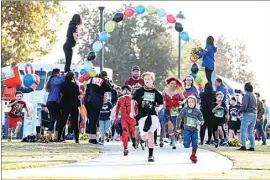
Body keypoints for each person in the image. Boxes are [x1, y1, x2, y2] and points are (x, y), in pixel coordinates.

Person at [130, 72, 163, 162]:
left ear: (152, 80)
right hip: (142, 116)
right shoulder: (139, 91)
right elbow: (133, 100)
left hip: (152, 116)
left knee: (151, 134)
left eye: (149, 79)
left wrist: (158, 109)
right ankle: (141, 137)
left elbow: (161, 104)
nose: (147, 81)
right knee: (144, 136)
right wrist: (132, 111)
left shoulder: (156, 92)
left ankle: (150, 155)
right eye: (145, 79)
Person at [85, 71, 112, 144]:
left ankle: (90, 137)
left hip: (87, 100)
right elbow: (109, 89)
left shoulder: (90, 79)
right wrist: (106, 81)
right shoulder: (102, 80)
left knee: (90, 119)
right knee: (94, 120)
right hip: (96, 101)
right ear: (105, 76)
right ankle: (93, 139)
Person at [178, 96, 204, 163]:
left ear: (195, 102)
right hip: (187, 130)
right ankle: (187, 141)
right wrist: (177, 128)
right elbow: (179, 118)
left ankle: (193, 156)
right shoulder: (185, 110)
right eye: (189, 102)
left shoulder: (198, 111)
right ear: (187, 103)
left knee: (195, 144)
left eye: (192, 102)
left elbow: (202, 121)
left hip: (194, 130)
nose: (190, 103)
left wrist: (200, 122)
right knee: (186, 145)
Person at [56, 72, 81, 143]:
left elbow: (61, 93)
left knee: (63, 121)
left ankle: (59, 137)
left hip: (65, 104)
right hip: (74, 104)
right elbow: (78, 93)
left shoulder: (63, 85)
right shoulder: (75, 86)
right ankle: (77, 139)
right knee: (75, 122)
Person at [162, 76, 185, 149]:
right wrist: (163, 103)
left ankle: (175, 137)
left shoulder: (178, 91)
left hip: (175, 110)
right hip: (167, 110)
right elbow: (161, 100)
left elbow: (184, 99)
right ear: (168, 84)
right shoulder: (165, 91)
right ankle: (173, 140)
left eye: (175, 84)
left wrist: (181, 102)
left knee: (175, 126)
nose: (173, 85)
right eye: (172, 83)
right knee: (170, 125)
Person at [114, 85, 137, 156]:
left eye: (127, 90)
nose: (126, 91)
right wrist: (116, 117)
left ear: (130, 91)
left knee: (132, 132)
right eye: (124, 90)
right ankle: (125, 148)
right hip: (124, 119)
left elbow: (136, 109)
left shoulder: (133, 99)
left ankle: (134, 142)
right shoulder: (120, 99)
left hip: (132, 118)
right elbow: (117, 109)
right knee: (125, 132)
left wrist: (136, 115)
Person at [45, 68, 65, 142]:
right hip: (54, 102)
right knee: (59, 119)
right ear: (57, 73)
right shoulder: (54, 79)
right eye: (60, 73)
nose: (60, 74)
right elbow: (60, 81)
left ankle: (49, 136)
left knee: (52, 119)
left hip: (50, 102)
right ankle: (56, 136)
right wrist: (64, 75)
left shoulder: (52, 79)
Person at [237, 82, 257, 151]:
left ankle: (243, 146)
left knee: (243, 130)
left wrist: (239, 111)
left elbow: (244, 106)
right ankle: (252, 147)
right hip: (254, 114)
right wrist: (243, 94)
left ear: (245, 88)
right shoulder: (253, 95)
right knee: (251, 131)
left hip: (247, 114)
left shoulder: (246, 95)